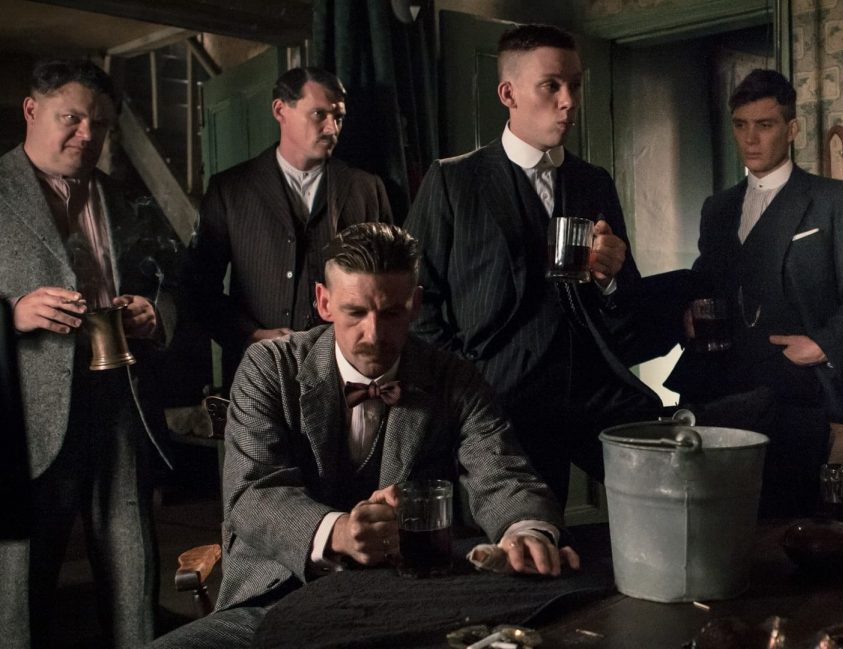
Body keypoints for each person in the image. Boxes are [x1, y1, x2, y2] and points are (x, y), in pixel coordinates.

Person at [153, 223, 576, 648]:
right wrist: (338, 531)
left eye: (390, 313)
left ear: (415, 305)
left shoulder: (454, 379)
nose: (373, 335)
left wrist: (527, 531)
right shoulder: (269, 368)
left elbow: (501, 470)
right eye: (355, 312)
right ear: (324, 302)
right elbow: (252, 493)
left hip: (409, 600)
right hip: (277, 598)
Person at [405, 24, 661, 504]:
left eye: (575, 85)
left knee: (666, 492)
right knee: (531, 530)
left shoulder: (593, 181)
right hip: (501, 403)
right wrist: (466, 383)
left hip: (591, 393)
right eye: (551, 86)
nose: (569, 101)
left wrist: (611, 279)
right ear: (508, 94)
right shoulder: (454, 181)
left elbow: (629, 305)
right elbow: (416, 302)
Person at [0, 59, 179, 648]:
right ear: (31, 110)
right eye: (71, 118)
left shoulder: (124, 198)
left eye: (99, 124)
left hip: (120, 404)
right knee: (19, 588)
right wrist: (12, 314)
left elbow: (174, 281)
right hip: (26, 419)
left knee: (134, 571)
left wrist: (157, 313)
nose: (86, 135)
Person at [665, 69, 843, 516]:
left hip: (801, 394)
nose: (750, 138)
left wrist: (822, 345)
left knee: (794, 520)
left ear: (791, 130)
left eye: (764, 125)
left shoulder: (832, 199)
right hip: (723, 393)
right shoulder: (717, 208)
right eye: (740, 125)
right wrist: (688, 312)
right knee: (720, 519)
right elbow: (706, 282)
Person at [186, 66, 393, 387]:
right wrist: (251, 335)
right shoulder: (229, 189)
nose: (332, 128)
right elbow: (199, 288)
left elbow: (389, 282)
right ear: (280, 110)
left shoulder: (366, 188)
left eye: (338, 117)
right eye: (319, 114)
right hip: (257, 376)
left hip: (346, 375)